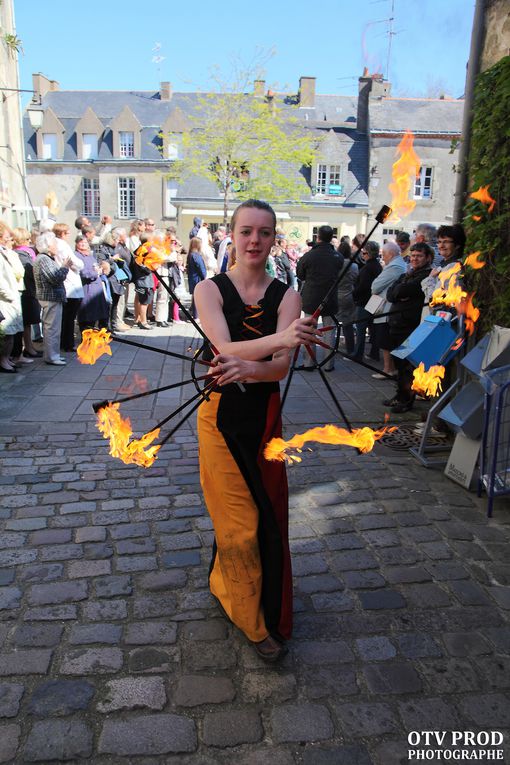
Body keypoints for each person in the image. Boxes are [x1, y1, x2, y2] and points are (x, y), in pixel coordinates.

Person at [194, 199, 318, 662]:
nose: (254, 241)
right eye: (246, 231)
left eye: (264, 233)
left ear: (273, 239)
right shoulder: (208, 289)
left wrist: (252, 363)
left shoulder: (287, 296)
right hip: (219, 420)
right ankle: (252, 622)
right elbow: (221, 348)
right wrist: (280, 341)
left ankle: (226, 581)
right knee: (239, 524)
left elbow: (279, 371)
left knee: (266, 512)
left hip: (264, 420)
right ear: (232, 233)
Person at [383, 242, 433, 412]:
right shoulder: (408, 273)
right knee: (399, 365)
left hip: (409, 327)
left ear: (428, 258)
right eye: (412, 255)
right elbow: (391, 294)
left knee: (408, 367)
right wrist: (399, 293)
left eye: (419, 256)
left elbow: (401, 291)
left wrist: (400, 293)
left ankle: (406, 400)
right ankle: (400, 395)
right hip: (396, 324)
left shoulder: (426, 276)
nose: (414, 259)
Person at [296, 225, 342, 371]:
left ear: (318, 237)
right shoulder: (337, 257)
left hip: (311, 298)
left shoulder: (309, 256)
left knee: (309, 331)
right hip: (330, 298)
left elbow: (300, 274)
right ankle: (329, 364)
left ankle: (309, 362)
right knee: (330, 332)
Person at [33, 231, 71, 365]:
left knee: (54, 328)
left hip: (53, 297)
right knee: (51, 328)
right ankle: (51, 356)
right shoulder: (43, 259)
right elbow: (55, 278)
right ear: (48, 246)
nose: (56, 246)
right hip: (50, 298)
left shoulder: (46, 259)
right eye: (54, 243)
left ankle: (54, 354)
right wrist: (65, 267)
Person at [370, 241, 407, 378]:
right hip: (387, 307)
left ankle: (388, 369)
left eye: (384, 254)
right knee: (385, 339)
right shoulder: (397, 265)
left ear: (391, 254)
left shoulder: (394, 267)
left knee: (385, 340)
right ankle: (389, 368)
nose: (382, 257)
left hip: (386, 309)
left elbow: (375, 286)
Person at [11, 227, 42, 360]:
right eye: (27, 239)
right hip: (26, 292)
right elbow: (31, 272)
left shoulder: (26, 253)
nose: (30, 241)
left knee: (28, 322)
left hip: (29, 291)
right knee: (25, 322)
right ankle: (25, 349)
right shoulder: (21, 254)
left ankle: (29, 347)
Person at [349, 241, 382, 361]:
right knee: (373, 328)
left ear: (368, 253)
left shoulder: (368, 267)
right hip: (373, 300)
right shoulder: (376, 265)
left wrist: (353, 294)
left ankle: (358, 354)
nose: (363, 255)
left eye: (364, 252)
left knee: (361, 328)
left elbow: (363, 286)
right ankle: (374, 353)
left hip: (365, 301)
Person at [54, 223, 84, 352]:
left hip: (66, 283)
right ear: (63, 233)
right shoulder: (62, 245)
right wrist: (80, 264)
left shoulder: (56, 244)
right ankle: (67, 343)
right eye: (68, 233)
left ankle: (64, 342)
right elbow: (76, 263)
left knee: (66, 317)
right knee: (69, 318)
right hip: (70, 284)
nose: (69, 235)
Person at [0, 223, 24, 372]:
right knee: (7, 333)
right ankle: (3, 360)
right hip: (5, 299)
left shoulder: (7, 253)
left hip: (13, 296)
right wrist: (10, 296)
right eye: (7, 238)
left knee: (13, 332)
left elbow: (18, 271)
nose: (10, 241)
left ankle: (7, 358)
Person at [75, 236, 110, 334]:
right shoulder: (77, 255)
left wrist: (102, 268)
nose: (83, 244)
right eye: (80, 242)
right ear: (76, 244)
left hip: (97, 288)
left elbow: (95, 267)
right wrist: (96, 273)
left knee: (98, 315)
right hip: (87, 289)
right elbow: (84, 273)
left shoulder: (90, 256)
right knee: (87, 317)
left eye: (85, 242)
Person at [336, 240, 357, 355]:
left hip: (336, 295)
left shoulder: (336, 264)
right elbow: (355, 279)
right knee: (348, 324)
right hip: (349, 295)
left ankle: (333, 347)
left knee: (333, 324)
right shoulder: (354, 266)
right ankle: (350, 349)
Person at [186, 237, 206, 320]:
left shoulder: (190, 254)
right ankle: (196, 315)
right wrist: (204, 276)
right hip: (197, 278)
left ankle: (195, 314)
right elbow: (201, 268)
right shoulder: (196, 255)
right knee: (197, 297)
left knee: (195, 296)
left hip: (192, 277)